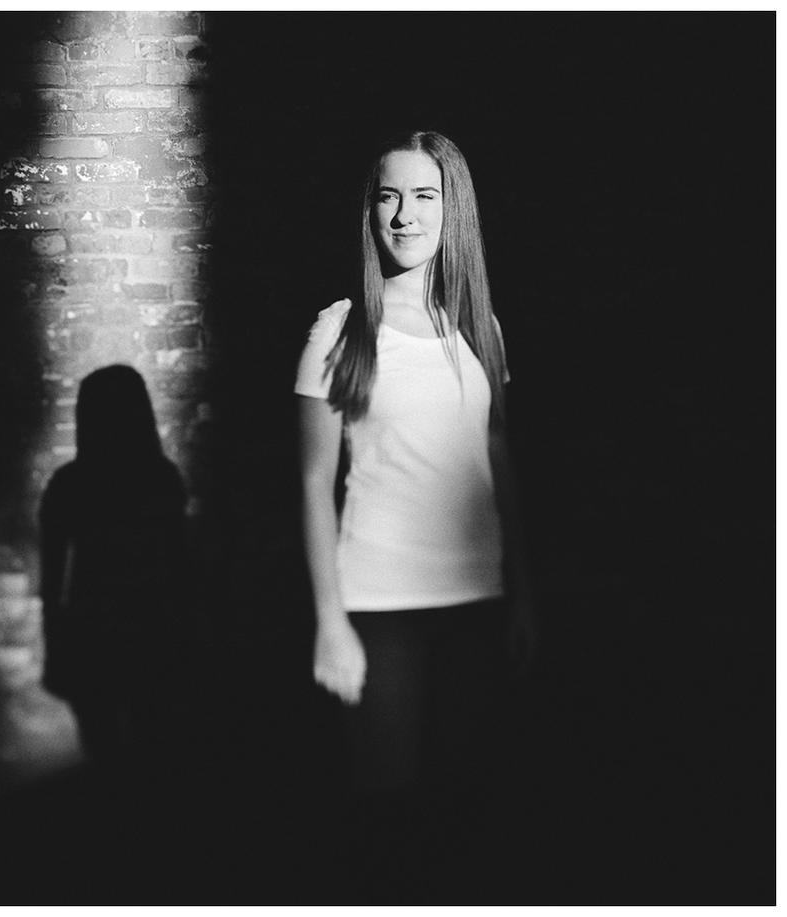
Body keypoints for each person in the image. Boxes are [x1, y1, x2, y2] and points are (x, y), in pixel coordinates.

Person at [294, 130, 536, 894]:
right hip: (379, 607)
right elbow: (312, 481)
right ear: (370, 211)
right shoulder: (339, 330)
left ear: (450, 208)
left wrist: (523, 596)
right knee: (386, 818)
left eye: (424, 195)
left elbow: (499, 464)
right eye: (388, 196)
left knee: (467, 808)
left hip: (477, 602)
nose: (404, 214)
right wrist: (329, 620)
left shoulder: (481, 328)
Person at [39, 365, 190, 764]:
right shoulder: (162, 479)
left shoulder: (69, 485)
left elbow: (53, 579)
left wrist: (55, 643)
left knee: (105, 757)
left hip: (92, 633)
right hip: (152, 628)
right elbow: (181, 568)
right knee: (154, 751)